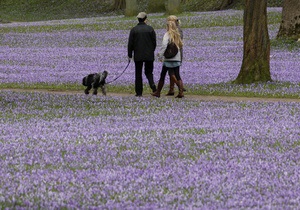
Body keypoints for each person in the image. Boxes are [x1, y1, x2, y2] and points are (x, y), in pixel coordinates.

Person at [151, 20, 184, 98]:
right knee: (177, 75)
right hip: (176, 57)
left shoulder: (167, 35)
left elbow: (164, 46)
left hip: (168, 58)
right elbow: (180, 45)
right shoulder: (177, 35)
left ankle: (158, 92)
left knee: (162, 75)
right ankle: (181, 92)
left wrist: (160, 55)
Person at [128, 12, 157, 97]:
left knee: (138, 74)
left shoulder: (134, 30)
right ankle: (153, 86)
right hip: (149, 55)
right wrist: (152, 51)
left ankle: (139, 92)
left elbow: (130, 44)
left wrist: (130, 55)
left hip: (138, 55)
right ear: (145, 19)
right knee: (149, 72)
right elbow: (154, 42)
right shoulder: (150, 29)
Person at [165, 15, 184, 96]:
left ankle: (180, 87)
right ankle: (171, 89)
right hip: (178, 53)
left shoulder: (174, 30)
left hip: (173, 53)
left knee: (172, 72)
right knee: (174, 72)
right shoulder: (179, 29)